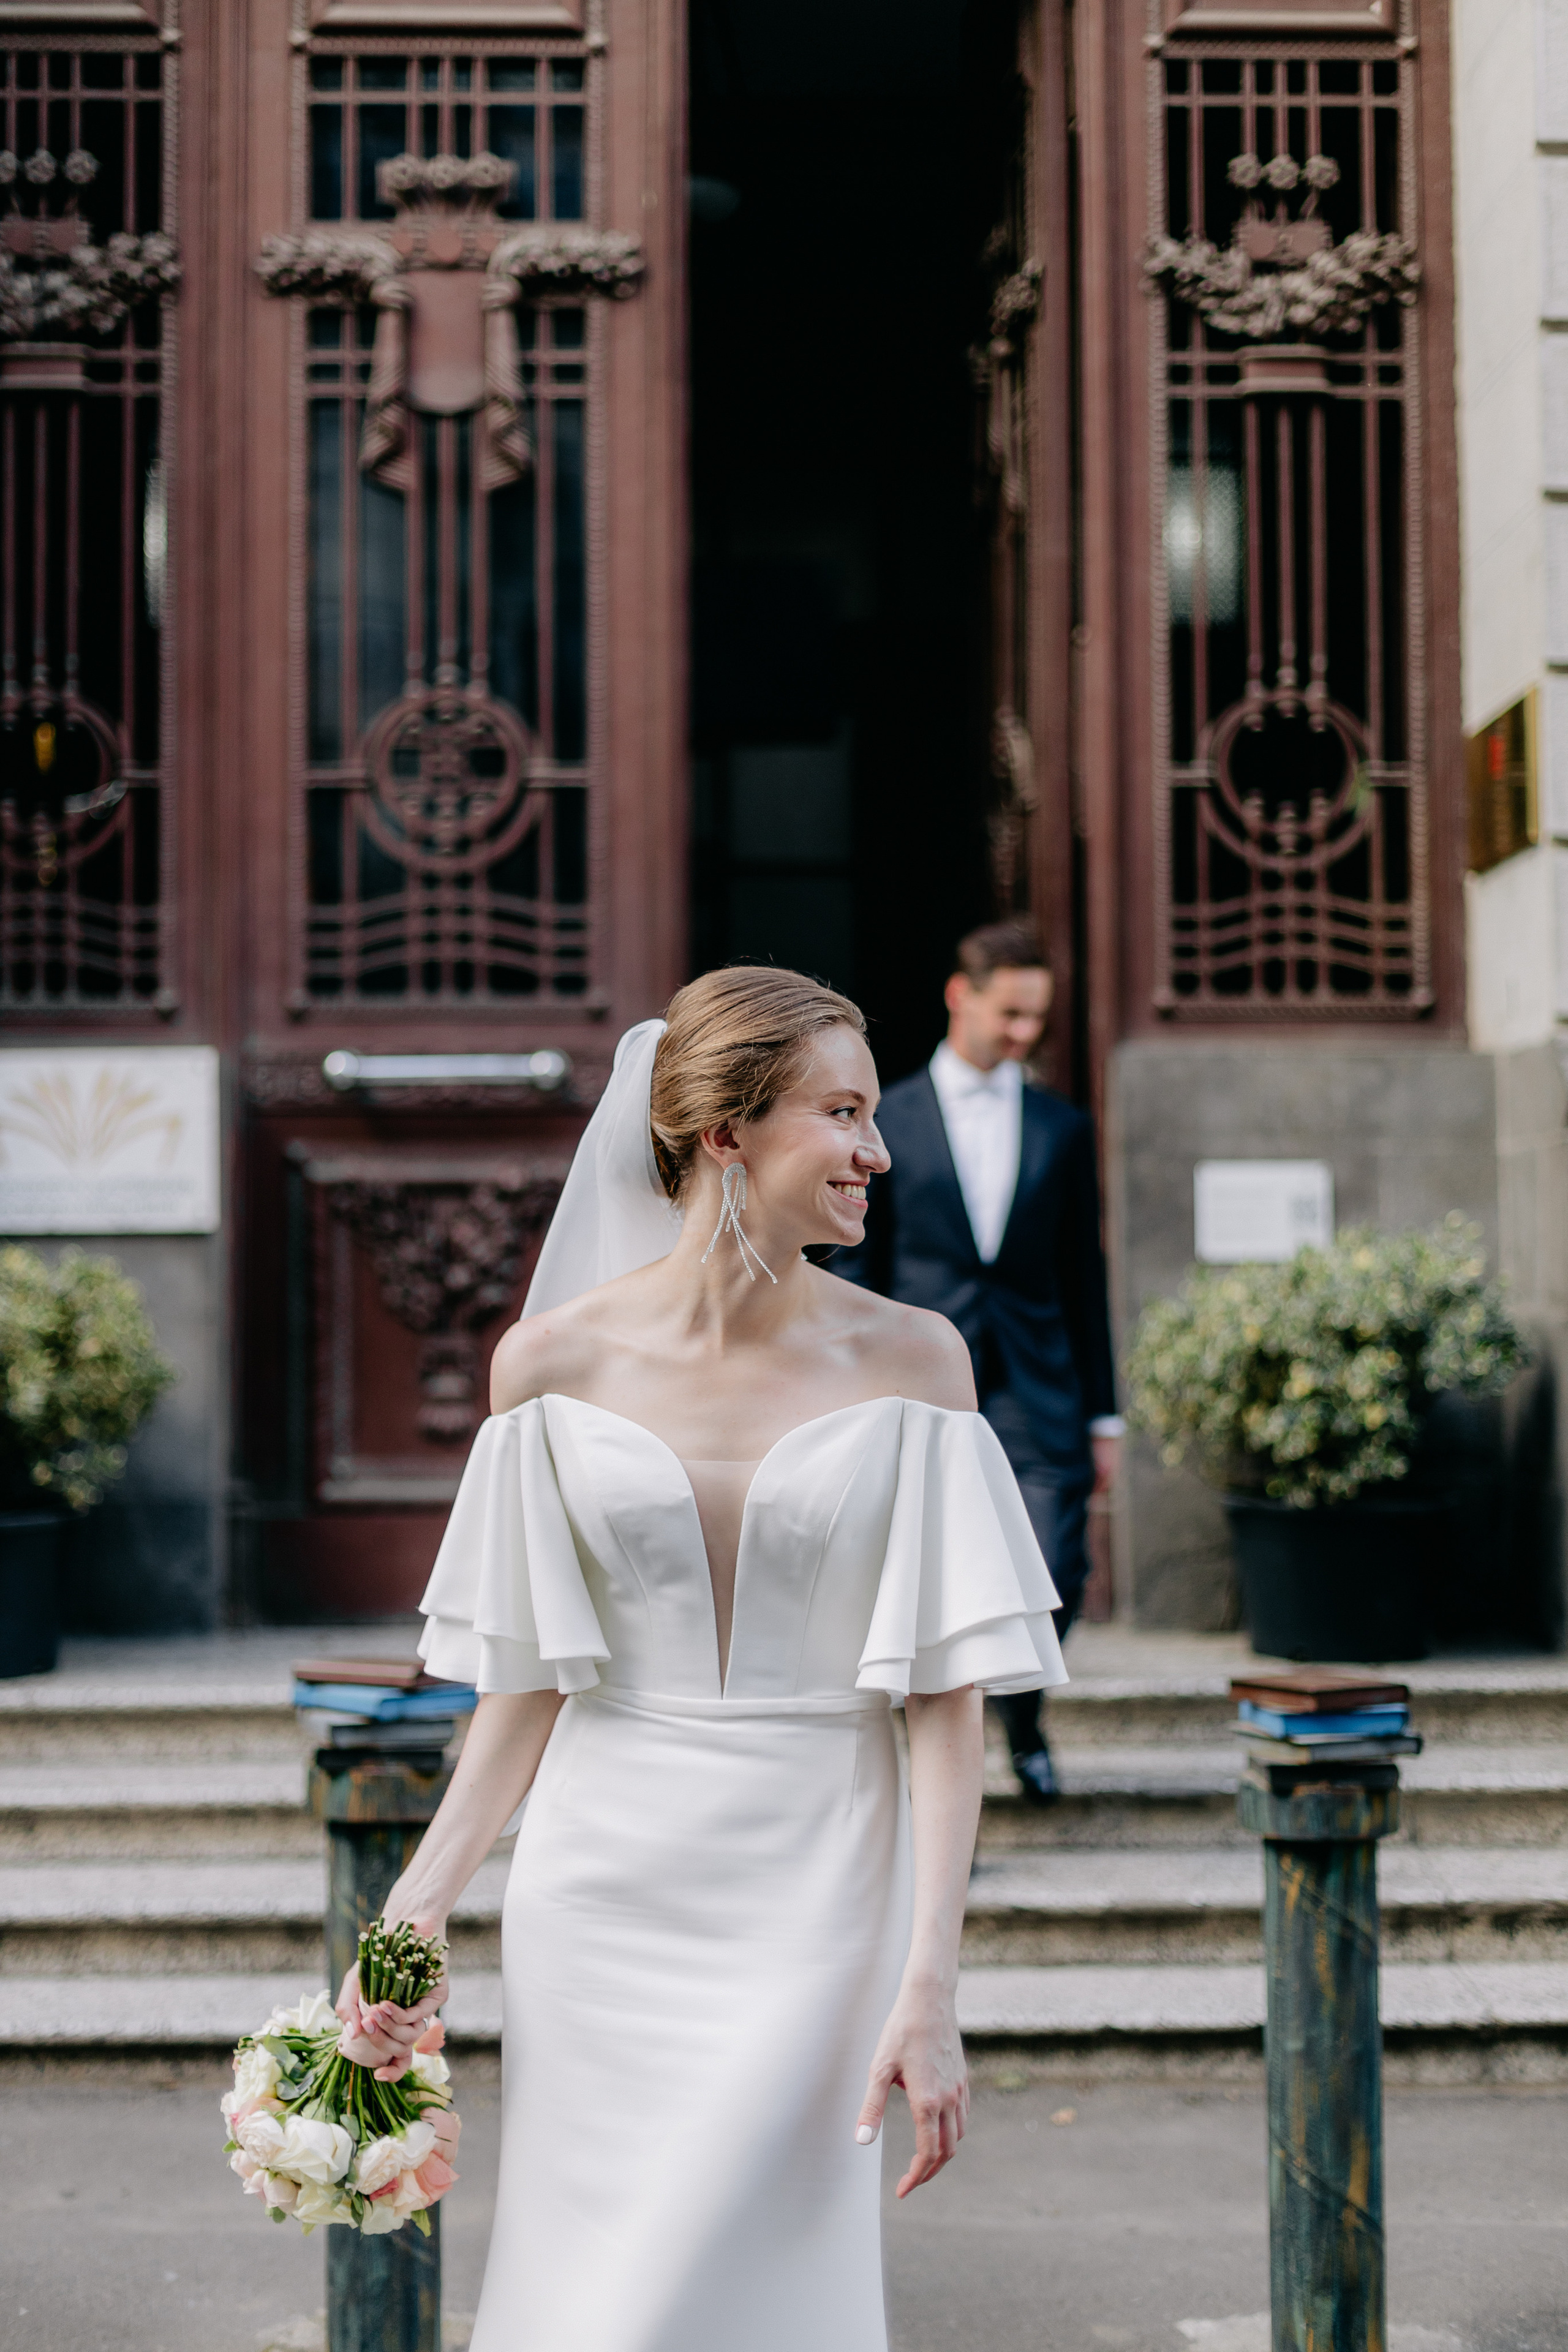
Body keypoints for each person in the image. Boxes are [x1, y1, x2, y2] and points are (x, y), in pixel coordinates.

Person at [333, 966, 1065, 2352]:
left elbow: (942, 1700)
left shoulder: (917, 1362)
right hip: (602, 1896)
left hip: (819, 1891)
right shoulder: (547, 1367)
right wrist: (413, 1914)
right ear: (725, 1133)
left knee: (758, 2281)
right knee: (600, 2297)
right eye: (841, 1113)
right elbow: (529, 1683)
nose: (877, 1150)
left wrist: (932, 1983)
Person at [837, 921, 1121, 1803]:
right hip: (923, 1381)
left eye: (1037, 1017)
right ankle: (932, 1761)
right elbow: (859, 1262)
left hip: (1040, 1381)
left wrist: (1104, 1413)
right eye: (1011, 1013)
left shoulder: (1063, 1127)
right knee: (926, 1570)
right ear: (962, 996)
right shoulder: (891, 1118)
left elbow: (1085, 1273)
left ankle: (1025, 1717)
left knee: (1057, 1568)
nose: (1026, 1033)